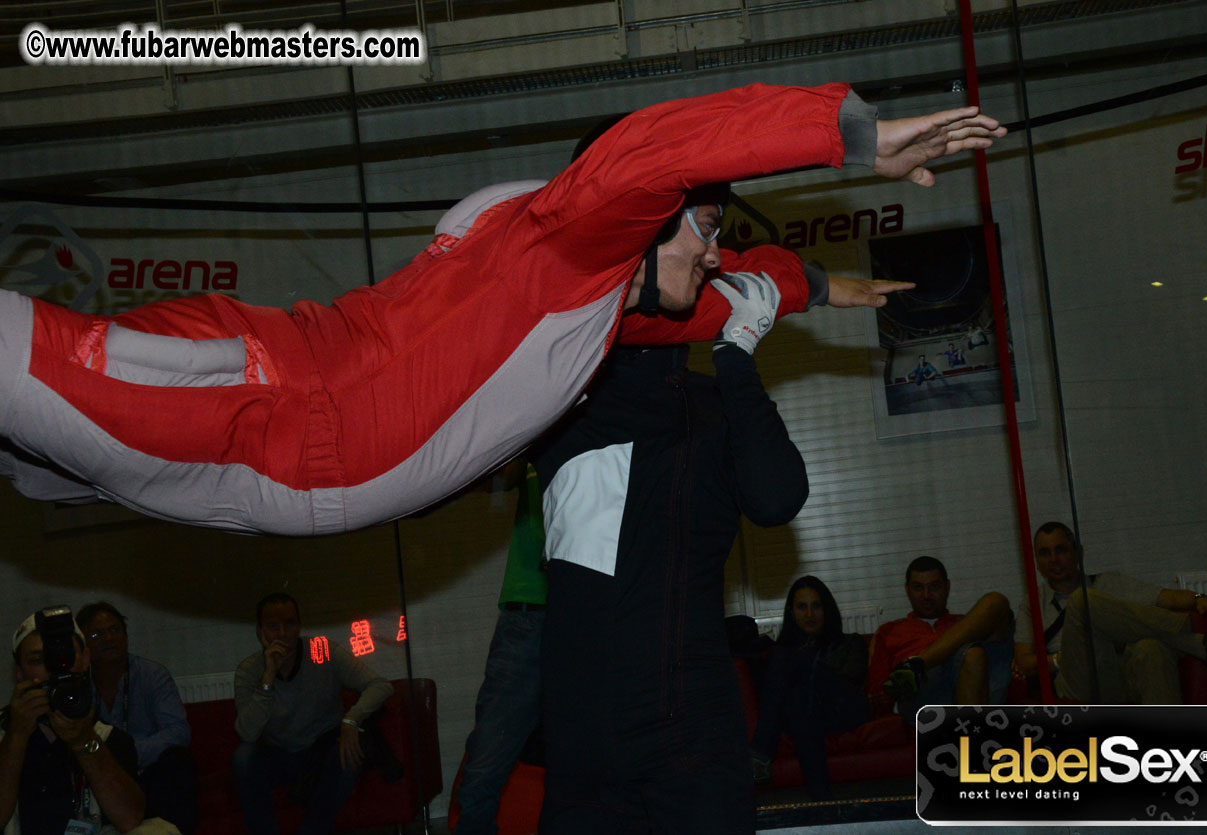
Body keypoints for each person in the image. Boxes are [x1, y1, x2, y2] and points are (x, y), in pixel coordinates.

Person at [0, 83, 1004, 535]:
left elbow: (710, 300)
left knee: (33, 463)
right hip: (271, 415)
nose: (713, 243)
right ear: (638, 220)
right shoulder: (569, 245)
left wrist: (816, 286)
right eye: (700, 223)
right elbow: (653, 152)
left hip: (263, 437)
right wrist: (849, 134)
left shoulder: (592, 302)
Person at [531, 271, 809, 834]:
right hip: (585, 732)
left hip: (691, 726)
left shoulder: (712, 403)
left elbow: (777, 498)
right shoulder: (561, 404)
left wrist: (735, 357)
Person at [1013, 521, 1207, 704]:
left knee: (1152, 648)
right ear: (1037, 561)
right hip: (1075, 680)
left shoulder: (1109, 583)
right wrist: (1058, 660)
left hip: (1117, 673)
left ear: (1078, 552)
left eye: (1061, 550)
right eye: (1045, 553)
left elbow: (1165, 597)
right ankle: (1198, 644)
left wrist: (1200, 598)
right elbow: (1024, 663)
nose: (1054, 559)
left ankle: (1171, 747)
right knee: (1080, 601)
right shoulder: (1032, 604)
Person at [232, 593, 393, 835]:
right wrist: (268, 678)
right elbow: (247, 733)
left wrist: (352, 718)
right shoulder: (249, 670)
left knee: (349, 757)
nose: (282, 634)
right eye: (273, 627)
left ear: (299, 626)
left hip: (322, 750)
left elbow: (380, 685)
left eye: (289, 624)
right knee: (243, 758)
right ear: (260, 632)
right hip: (280, 753)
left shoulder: (323, 651)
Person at [453, 460, 547, 835]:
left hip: (589, 610)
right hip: (528, 613)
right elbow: (494, 477)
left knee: (596, 761)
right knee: (484, 766)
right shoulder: (537, 423)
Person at [1, 608, 150, 834]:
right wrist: (17, 735)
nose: (53, 672)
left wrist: (84, 741)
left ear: (85, 660)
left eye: (65, 656)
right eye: (39, 660)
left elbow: (130, 819)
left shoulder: (106, 737)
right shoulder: (5, 737)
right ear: (20, 673)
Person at [76, 602, 197, 834]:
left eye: (114, 630)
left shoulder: (152, 675)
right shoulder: (77, 687)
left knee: (179, 760)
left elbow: (178, 732)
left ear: (126, 636)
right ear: (83, 645)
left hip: (150, 775)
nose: (108, 638)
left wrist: (128, 753)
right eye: (96, 634)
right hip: (103, 783)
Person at [749, 576, 869, 800]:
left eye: (816, 606)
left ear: (827, 609)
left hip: (842, 709)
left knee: (790, 661)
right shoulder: (783, 655)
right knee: (798, 703)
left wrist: (805, 664)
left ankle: (760, 754)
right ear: (792, 612)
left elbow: (849, 685)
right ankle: (822, 801)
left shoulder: (850, 643)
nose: (810, 615)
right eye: (802, 607)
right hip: (804, 714)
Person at [867, 556, 1013, 717]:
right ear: (907, 590)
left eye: (934, 587)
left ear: (947, 587)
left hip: (981, 689)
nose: (926, 596)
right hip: (924, 701)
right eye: (918, 587)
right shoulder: (889, 631)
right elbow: (878, 695)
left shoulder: (968, 623)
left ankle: (916, 665)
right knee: (972, 654)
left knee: (995, 602)